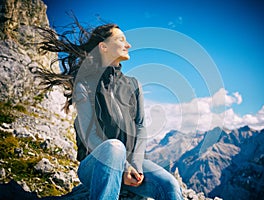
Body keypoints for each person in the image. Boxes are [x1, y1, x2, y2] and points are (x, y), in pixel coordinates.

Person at [34, 22, 183, 200]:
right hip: (96, 164)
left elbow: (141, 125)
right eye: (121, 40)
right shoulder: (85, 86)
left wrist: (135, 164)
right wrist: (124, 167)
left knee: (169, 185)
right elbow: (90, 138)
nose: (128, 45)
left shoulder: (133, 84)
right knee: (114, 147)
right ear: (103, 47)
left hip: (131, 163)